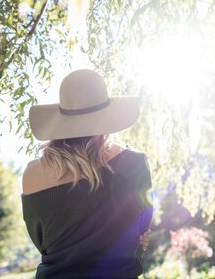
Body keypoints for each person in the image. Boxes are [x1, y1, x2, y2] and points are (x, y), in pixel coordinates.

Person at [21, 69, 153, 278]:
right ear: (107, 116)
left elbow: (44, 244)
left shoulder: (32, 175)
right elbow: (141, 230)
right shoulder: (133, 163)